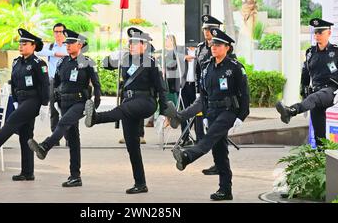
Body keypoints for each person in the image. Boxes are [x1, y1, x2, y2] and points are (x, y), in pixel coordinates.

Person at [83, 27, 171, 194]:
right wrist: (113, 56)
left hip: (145, 101)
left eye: (136, 43)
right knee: (132, 146)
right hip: (129, 102)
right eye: (130, 42)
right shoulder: (125, 59)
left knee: (123, 109)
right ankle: (140, 183)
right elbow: (105, 65)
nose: (131, 45)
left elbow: (161, 88)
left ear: (144, 46)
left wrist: (164, 111)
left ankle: (96, 118)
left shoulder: (150, 62)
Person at [171, 28, 250, 201]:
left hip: (229, 112)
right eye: (213, 44)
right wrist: (205, 116)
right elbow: (205, 96)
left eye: (218, 44)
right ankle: (225, 190)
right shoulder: (207, 68)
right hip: (212, 111)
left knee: (209, 139)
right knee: (219, 152)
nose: (214, 47)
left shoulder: (235, 67)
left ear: (227, 47)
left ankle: (187, 155)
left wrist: (241, 116)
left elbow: (245, 94)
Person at [27, 29, 101, 188]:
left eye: (70, 43)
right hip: (64, 103)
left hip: (80, 102)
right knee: (72, 139)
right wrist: (54, 99)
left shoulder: (87, 62)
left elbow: (96, 84)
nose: (67, 46)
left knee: (62, 124)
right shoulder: (63, 62)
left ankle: (45, 146)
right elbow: (58, 83)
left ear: (79, 45)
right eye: (66, 43)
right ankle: (75, 176)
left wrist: (95, 104)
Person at [0, 29, 49, 181]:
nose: (21, 46)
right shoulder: (16, 62)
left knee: (12, 120)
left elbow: (45, 85)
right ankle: (27, 172)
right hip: (21, 100)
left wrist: (44, 105)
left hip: (33, 100)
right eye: (20, 43)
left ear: (33, 46)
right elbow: (13, 83)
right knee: (25, 136)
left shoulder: (38, 63)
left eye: (25, 43)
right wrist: (15, 100)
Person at [275, 18, 338, 146]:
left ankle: (291, 111)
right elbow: (305, 75)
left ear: (328, 33)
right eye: (316, 33)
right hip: (316, 92)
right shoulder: (310, 52)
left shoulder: (337, 51)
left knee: (315, 97)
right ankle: (321, 160)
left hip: (332, 90)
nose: (317, 36)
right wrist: (304, 96)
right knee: (319, 135)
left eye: (320, 33)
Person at [174, 15, 225, 175]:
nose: (206, 32)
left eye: (209, 29)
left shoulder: (223, 46)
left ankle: (178, 116)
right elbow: (197, 70)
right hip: (204, 90)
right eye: (204, 29)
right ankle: (219, 164)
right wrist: (198, 88)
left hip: (218, 94)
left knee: (216, 132)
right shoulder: (201, 47)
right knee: (214, 131)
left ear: (216, 29)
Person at [36, 23, 68, 139]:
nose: (58, 34)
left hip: (65, 81)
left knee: (66, 109)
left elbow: (72, 54)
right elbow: (37, 52)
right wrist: (54, 53)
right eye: (56, 32)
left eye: (60, 32)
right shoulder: (50, 47)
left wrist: (63, 54)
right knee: (53, 109)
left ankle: (69, 136)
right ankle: (55, 136)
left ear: (64, 32)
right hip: (52, 80)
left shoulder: (68, 45)